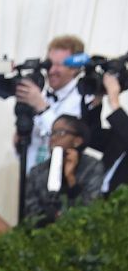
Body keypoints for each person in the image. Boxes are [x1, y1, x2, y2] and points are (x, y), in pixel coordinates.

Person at [15, 35, 101, 173]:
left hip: (63, 178)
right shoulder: (40, 94)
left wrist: (42, 107)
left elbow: (66, 138)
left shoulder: (84, 99)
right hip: (32, 178)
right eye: (49, 64)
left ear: (75, 68)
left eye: (59, 65)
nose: (51, 70)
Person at [24, 115, 104, 224]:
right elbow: (30, 212)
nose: (53, 138)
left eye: (60, 133)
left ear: (77, 141)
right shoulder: (37, 171)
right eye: (51, 133)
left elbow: (91, 208)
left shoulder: (92, 167)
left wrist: (70, 178)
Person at [89, 71, 128, 195]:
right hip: (97, 200)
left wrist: (114, 101)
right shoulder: (121, 135)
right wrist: (97, 99)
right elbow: (91, 136)